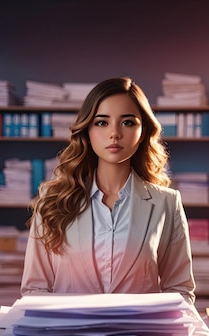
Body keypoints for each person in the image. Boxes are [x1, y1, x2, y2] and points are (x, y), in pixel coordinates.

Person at [20, 76, 198, 307]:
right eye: (102, 122)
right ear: (87, 130)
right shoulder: (52, 201)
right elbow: (35, 290)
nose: (114, 133)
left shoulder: (167, 203)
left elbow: (180, 292)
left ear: (143, 131)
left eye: (127, 122)